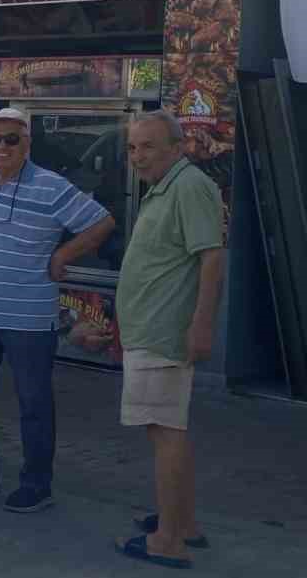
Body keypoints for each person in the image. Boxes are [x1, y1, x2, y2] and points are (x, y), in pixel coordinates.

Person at [0, 107, 116, 513]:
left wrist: (64, 255)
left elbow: (102, 223)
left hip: (29, 317)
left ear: (27, 142)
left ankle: (37, 483)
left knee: (34, 401)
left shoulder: (52, 186)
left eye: (10, 139)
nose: (1, 147)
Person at [107, 111, 224, 569]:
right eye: (133, 147)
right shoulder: (167, 187)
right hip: (149, 332)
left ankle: (168, 540)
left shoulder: (189, 186)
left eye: (148, 146)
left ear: (177, 147)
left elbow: (212, 259)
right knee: (169, 430)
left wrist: (202, 324)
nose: (138, 156)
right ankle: (184, 523)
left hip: (163, 335)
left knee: (165, 434)